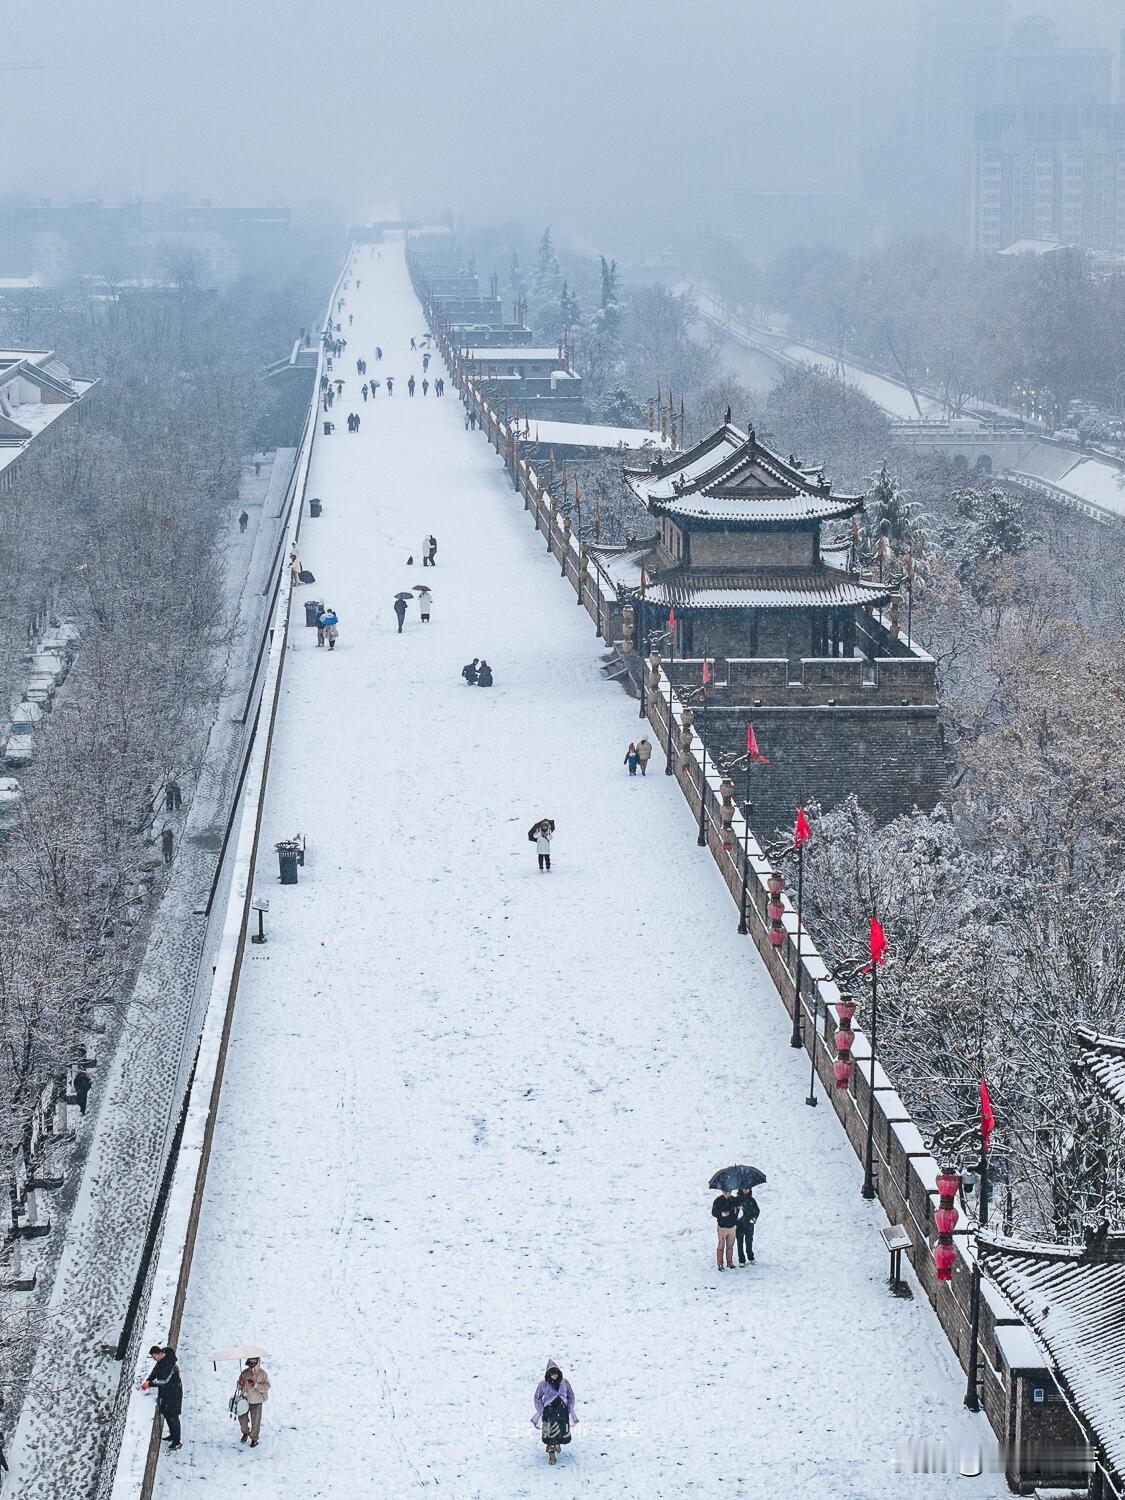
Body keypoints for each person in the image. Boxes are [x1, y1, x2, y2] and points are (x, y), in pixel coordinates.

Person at [531, 1361, 577, 1466]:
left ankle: (557, 1442)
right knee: (549, 1431)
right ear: (549, 1374)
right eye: (552, 1373)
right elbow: (537, 1397)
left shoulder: (564, 1382)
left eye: (556, 1373)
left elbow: (571, 1395)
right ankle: (551, 1452)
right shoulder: (543, 1384)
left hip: (562, 1411)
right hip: (549, 1411)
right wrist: (541, 1410)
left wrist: (569, 1407)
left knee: (560, 1430)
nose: (554, 1375)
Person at [142, 1345, 183, 1450]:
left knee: (173, 1416)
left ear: (160, 1354)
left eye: (155, 1357)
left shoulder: (169, 1364)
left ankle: (177, 1441)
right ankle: (172, 1436)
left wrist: (150, 1384)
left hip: (174, 1393)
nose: (155, 1360)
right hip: (167, 1393)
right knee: (167, 1415)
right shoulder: (161, 1360)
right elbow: (155, 1370)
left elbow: (164, 1381)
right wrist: (149, 1379)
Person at [236, 1356, 271, 1447]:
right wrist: (240, 1382)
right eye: (250, 1362)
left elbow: (266, 1387)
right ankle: (245, 1432)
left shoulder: (262, 1374)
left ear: (257, 1362)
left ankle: (254, 1439)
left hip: (257, 1401)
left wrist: (255, 1385)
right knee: (242, 1419)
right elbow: (239, 1387)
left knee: (256, 1421)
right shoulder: (244, 1373)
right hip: (244, 1400)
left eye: (254, 1362)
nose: (252, 1364)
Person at [712, 1189, 739, 1270]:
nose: (726, 1193)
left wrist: (740, 1207)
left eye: (728, 1191)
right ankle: (720, 1263)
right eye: (725, 1191)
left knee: (730, 1245)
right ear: (722, 1191)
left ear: (731, 1192)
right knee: (721, 1245)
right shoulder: (718, 1200)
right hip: (722, 1227)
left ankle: (729, 1262)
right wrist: (721, 1214)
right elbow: (713, 1212)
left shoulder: (734, 1200)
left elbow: (738, 1209)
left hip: (732, 1227)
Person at [736, 1188, 759, 1265]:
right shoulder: (737, 1199)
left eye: (747, 1189)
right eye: (744, 1188)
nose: (745, 1190)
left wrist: (754, 1218)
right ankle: (741, 1260)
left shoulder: (751, 1200)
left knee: (749, 1242)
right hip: (739, 1224)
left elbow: (756, 1210)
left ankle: (751, 1257)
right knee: (740, 1243)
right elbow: (732, 1210)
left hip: (749, 1224)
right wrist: (737, 1208)